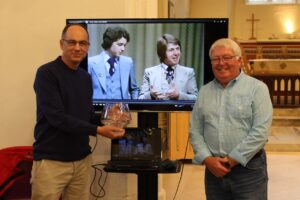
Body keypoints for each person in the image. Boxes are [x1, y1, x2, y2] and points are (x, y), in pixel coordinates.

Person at [31, 24, 125, 200]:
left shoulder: (85, 78)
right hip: (52, 161)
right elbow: (57, 118)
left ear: (88, 47)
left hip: (82, 160)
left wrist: (107, 116)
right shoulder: (46, 73)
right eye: (72, 42)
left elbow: (87, 117)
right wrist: (98, 130)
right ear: (62, 44)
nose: (77, 47)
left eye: (82, 43)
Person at [189, 38, 273, 200]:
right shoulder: (204, 91)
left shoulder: (257, 89)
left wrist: (231, 160)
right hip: (214, 171)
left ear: (239, 60)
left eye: (227, 57)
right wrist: (207, 159)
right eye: (216, 59)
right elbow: (195, 130)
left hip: (249, 170)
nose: (221, 63)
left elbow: (260, 132)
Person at [138, 33, 198, 100]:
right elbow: (140, 99)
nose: (176, 53)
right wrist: (151, 95)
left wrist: (179, 95)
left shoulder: (188, 72)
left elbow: (196, 99)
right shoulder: (149, 72)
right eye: (171, 50)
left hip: (180, 110)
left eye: (177, 49)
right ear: (162, 53)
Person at [88, 26, 139, 100]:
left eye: (124, 45)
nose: (123, 49)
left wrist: (133, 107)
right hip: (98, 110)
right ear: (109, 42)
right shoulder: (91, 63)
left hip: (122, 110)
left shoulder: (128, 62)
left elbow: (134, 89)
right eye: (120, 44)